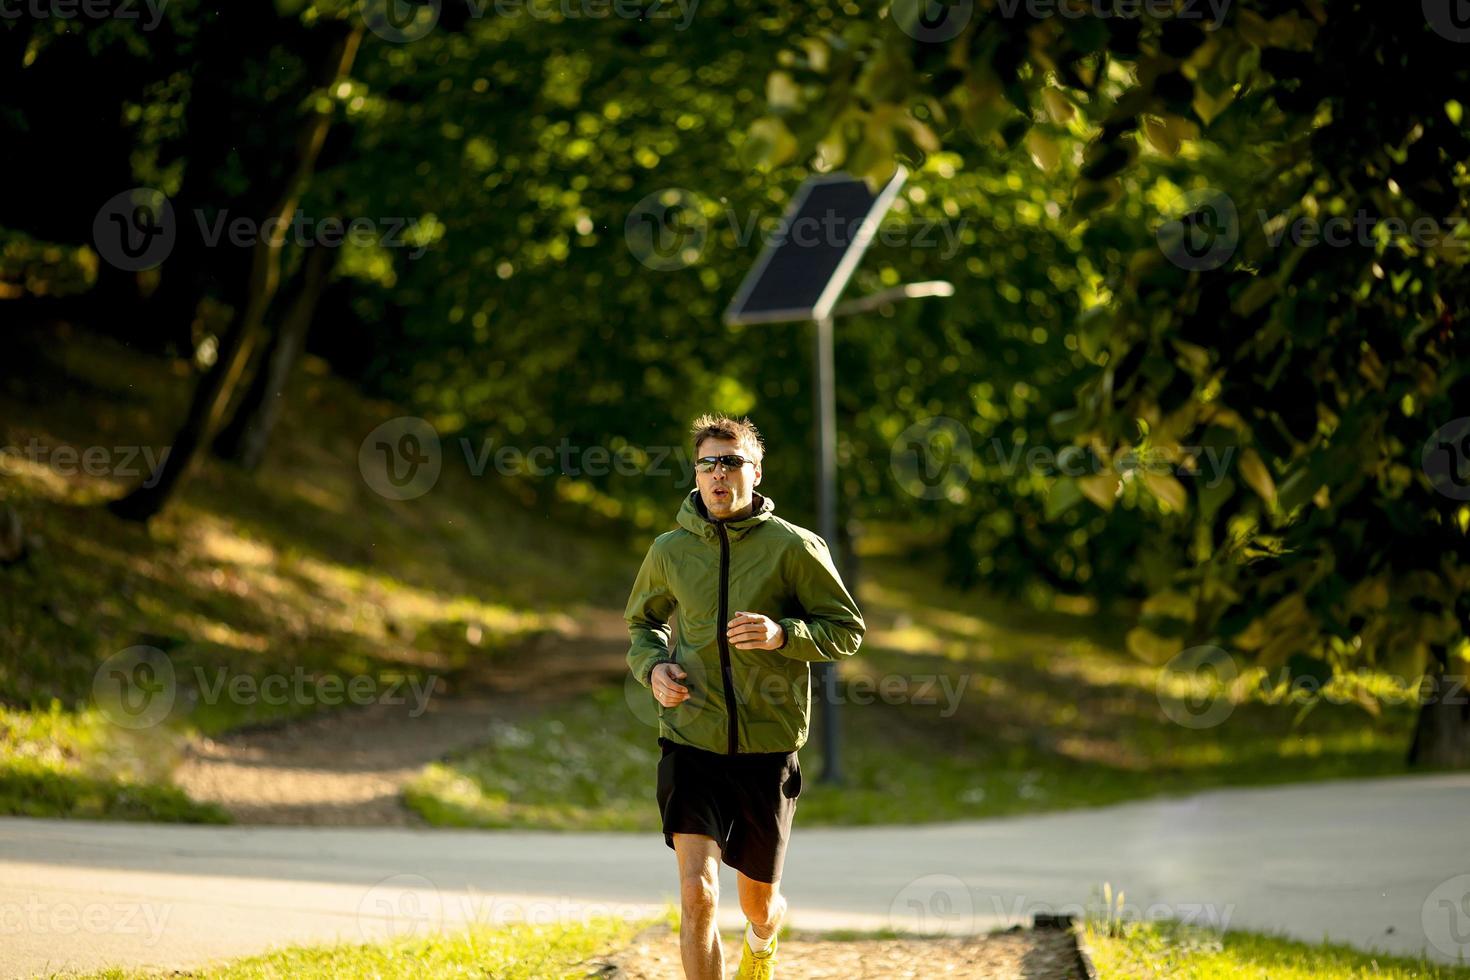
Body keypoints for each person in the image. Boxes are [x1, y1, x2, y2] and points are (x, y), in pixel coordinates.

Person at [625, 413, 866, 980]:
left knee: (757, 902)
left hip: (767, 746)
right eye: (707, 463)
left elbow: (847, 629)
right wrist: (654, 667)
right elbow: (643, 625)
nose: (718, 473)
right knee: (697, 892)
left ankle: (761, 942)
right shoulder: (669, 549)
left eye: (731, 462)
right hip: (691, 739)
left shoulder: (793, 547)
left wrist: (785, 634)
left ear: (754, 471)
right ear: (696, 473)